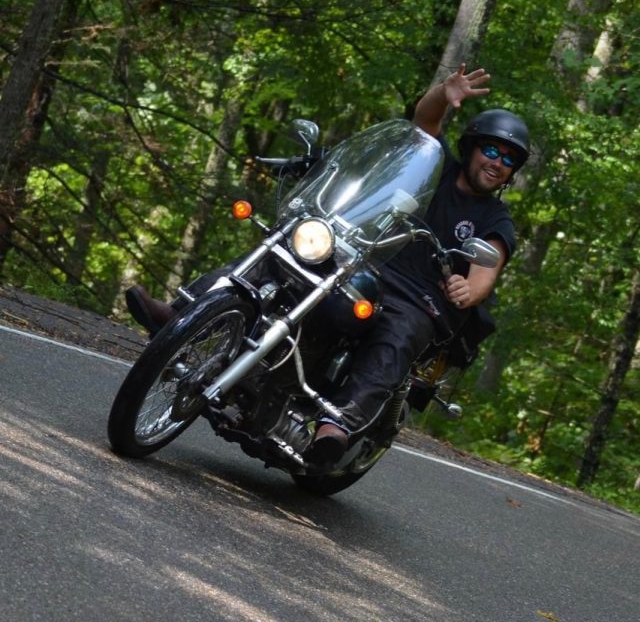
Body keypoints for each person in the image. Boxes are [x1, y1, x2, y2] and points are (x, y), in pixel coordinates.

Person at [126, 64, 531, 464]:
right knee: (281, 253)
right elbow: (423, 122)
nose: (497, 162)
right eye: (491, 150)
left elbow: (486, 270)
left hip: (416, 297)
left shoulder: (496, 219)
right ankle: (183, 316)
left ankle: (336, 423)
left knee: (399, 335)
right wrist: (444, 92)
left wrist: (469, 288)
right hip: (364, 258)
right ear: (472, 147)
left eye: (508, 159)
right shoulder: (439, 166)